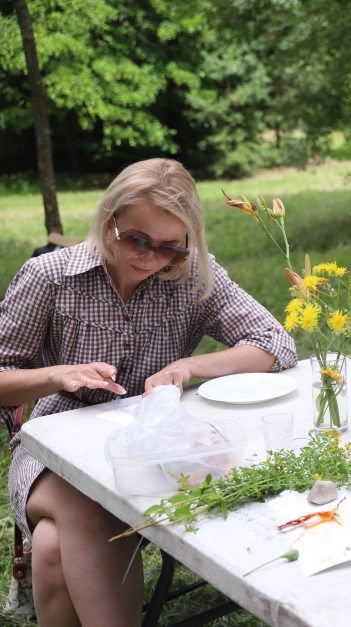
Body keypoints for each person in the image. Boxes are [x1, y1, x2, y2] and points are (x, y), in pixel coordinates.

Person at [0, 158, 297, 626]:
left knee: (53, 550)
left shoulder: (196, 274)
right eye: (135, 238)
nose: (150, 257)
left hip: (156, 445)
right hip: (53, 446)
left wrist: (189, 366)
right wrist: (58, 375)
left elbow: (275, 343)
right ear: (108, 219)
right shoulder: (50, 276)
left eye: (170, 248)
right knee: (90, 503)